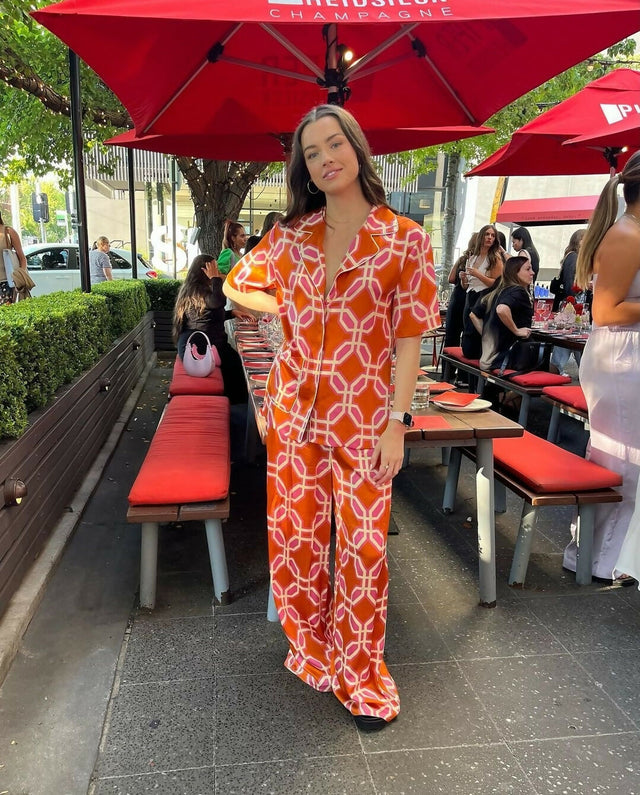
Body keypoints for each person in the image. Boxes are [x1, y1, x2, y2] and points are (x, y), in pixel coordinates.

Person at [223, 104, 438, 731]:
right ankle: (313, 651)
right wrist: (283, 307)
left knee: (364, 548)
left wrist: (399, 420)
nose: (324, 159)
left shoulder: (404, 238)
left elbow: (408, 340)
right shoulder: (292, 235)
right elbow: (237, 284)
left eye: (333, 144)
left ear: (357, 148)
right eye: (311, 153)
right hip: (294, 413)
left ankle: (361, 673)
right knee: (299, 541)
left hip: (366, 417)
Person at [562, 150, 640, 585]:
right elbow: (606, 311)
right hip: (621, 355)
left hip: (623, 354)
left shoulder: (629, 230)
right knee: (623, 458)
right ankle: (602, 558)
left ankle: (612, 555)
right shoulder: (626, 234)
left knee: (625, 455)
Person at [173, 254, 253, 404]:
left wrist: (232, 313)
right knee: (238, 367)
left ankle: (234, 403)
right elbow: (218, 302)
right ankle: (237, 409)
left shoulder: (194, 289)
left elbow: (206, 317)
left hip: (199, 343)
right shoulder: (197, 290)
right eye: (214, 267)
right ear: (205, 270)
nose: (218, 270)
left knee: (237, 363)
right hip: (200, 349)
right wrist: (215, 278)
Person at [470, 256, 534, 372]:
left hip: (489, 357)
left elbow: (473, 315)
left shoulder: (498, 291)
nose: (532, 273)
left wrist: (487, 335)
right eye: (528, 269)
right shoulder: (518, 291)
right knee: (553, 369)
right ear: (515, 272)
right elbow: (501, 309)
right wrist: (516, 331)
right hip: (506, 357)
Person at [460, 224, 504, 358]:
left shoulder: (494, 258)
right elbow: (465, 286)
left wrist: (478, 274)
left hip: (484, 296)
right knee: (466, 327)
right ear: (481, 237)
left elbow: (496, 283)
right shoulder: (473, 257)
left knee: (476, 329)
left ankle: (478, 358)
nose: (490, 238)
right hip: (470, 294)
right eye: (487, 234)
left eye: (492, 235)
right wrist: (463, 278)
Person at [549, 229, 586, 375]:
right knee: (572, 340)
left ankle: (582, 372)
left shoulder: (571, 256)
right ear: (578, 241)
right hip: (572, 307)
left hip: (571, 307)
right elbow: (570, 285)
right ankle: (582, 372)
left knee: (572, 342)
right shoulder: (573, 257)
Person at [0, 212, 27, 305]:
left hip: (6, 283)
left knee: (5, 312)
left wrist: (19, 277)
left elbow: (22, 258)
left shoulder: (8, 232)